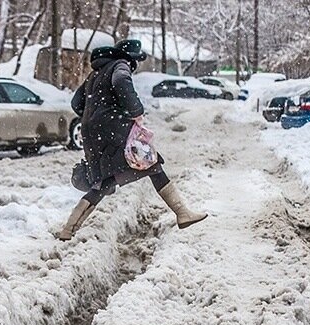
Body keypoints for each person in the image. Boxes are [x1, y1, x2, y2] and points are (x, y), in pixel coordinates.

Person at [58, 39, 207, 241]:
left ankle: (68, 229)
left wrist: (95, 115)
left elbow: (76, 103)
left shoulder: (95, 73)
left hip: (92, 133)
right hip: (114, 130)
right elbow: (121, 82)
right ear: (131, 58)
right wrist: (135, 110)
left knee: (104, 182)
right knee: (152, 163)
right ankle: (182, 213)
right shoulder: (121, 65)